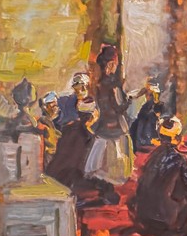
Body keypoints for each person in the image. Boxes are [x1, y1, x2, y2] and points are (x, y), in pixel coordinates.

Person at [129, 116, 187, 236]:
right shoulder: (181, 159)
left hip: (145, 219)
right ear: (178, 138)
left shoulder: (152, 157)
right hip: (168, 221)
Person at [84, 45, 135, 203]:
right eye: (114, 64)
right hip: (114, 128)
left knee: (101, 162)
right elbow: (119, 108)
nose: (115, 67)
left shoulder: (99, 84)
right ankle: (108, 190)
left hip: (103, 126)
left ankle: (103, 187)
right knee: (113, 162)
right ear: (110, 64)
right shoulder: (113, 85)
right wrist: (130, 100)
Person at [46, 95, 98, 194]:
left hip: (54, 176)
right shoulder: (88, 136)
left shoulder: (67, 129)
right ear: (92, 116)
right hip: (71, 181)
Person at [129, 79, 165, 153]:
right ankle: (138, 146)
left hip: (150, 117)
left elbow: (157, 104)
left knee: (143, 127)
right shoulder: (146, 94)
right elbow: (138, 95)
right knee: (134, 127)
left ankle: (142, 145)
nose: (147, 95)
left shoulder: (155, 95)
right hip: (145, 116)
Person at [38, 91, 63, 166]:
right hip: (49, 155)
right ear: (45, 107)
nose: (55, 106)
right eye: (52, 103)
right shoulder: (43, 121)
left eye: (56, 103)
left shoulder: (58, 120)